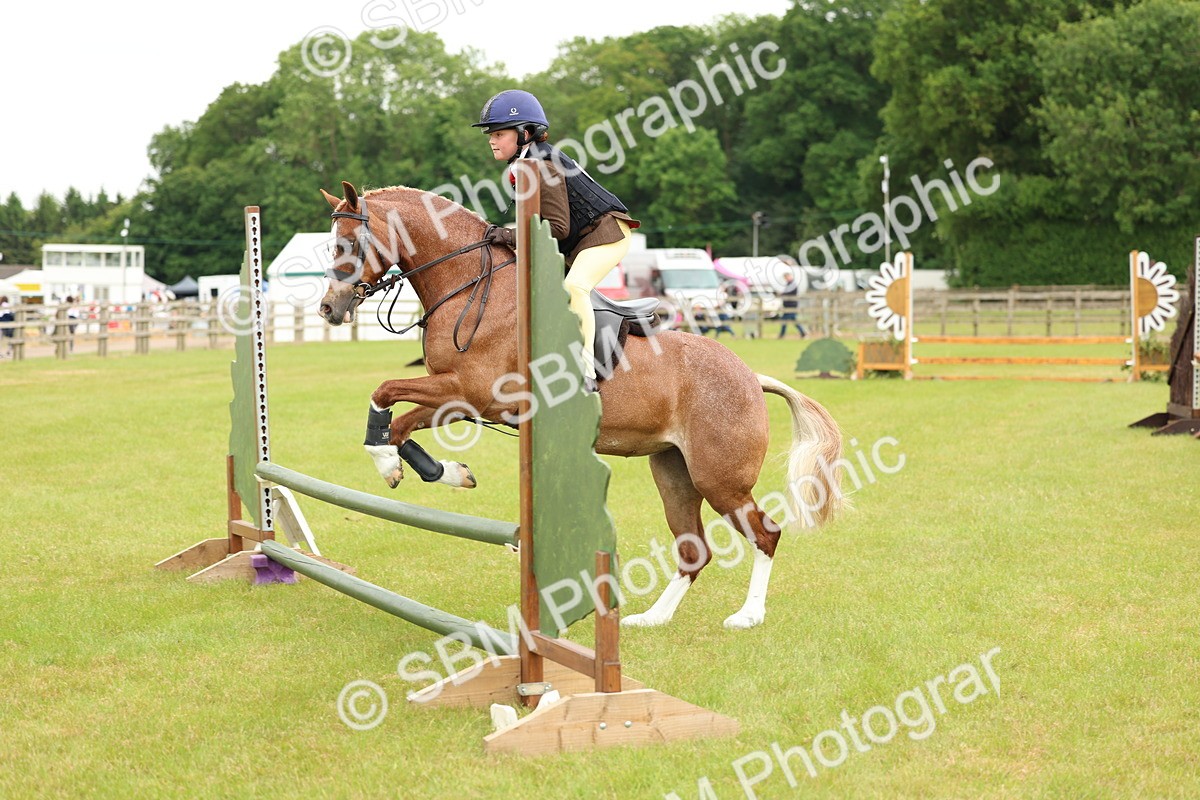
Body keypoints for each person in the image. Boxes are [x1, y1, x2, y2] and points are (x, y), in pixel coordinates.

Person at [473, 89, 640, 392]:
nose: (491, 140)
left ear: (525, 133)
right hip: (582, 239)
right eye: (490, 134)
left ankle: (586, 369)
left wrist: (509, 236)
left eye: (498, 133)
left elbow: (558, 228)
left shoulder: (541, 164)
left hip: (607, 234)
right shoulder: (527, 162)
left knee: (575, 286)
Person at [777, 272, 807, 338]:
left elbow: (789, 293)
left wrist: (782, 294)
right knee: (794, 321)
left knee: (784, 320)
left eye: (786, 277)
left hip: (791, 305)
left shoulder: (792, 285)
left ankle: (782, 335)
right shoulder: (789, 284)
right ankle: (803, 333)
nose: (786, 279)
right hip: (788, 306)